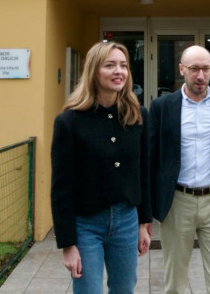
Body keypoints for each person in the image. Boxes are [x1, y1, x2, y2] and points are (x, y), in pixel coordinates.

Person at [50, 41, 151, 294]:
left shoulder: (138, 116)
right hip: (85, 225)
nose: (119, 71)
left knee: (124, 289)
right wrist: (68, 243)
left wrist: (143, 223)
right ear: (94, 71)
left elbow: (143, 172)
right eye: (110, 65)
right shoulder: (69, 121)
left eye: (124, 66)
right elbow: (61, 186)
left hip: (126, 221)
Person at [149, 45, 210, 294]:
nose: (200, 75)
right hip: (177, 203)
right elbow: (151, 160)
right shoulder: (162, 107)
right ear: (182, 69)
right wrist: (146, 211)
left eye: (205, 69)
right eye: (194, 69)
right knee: (175, 281)